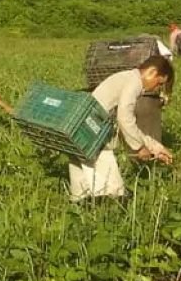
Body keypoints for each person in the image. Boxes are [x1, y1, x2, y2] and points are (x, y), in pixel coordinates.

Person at [68, 55, 175, 200]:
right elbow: (125, 117)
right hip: (93, 132)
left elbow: (128, 125)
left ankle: (81, 208)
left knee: (81, 186)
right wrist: (138, 147)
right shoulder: (134, 82)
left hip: (80, 127)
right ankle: (105, 210)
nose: (156, 88)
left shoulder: (126, 77)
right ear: (152, 72)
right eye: (159, 83)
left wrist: (157, 148)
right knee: (113, 192)